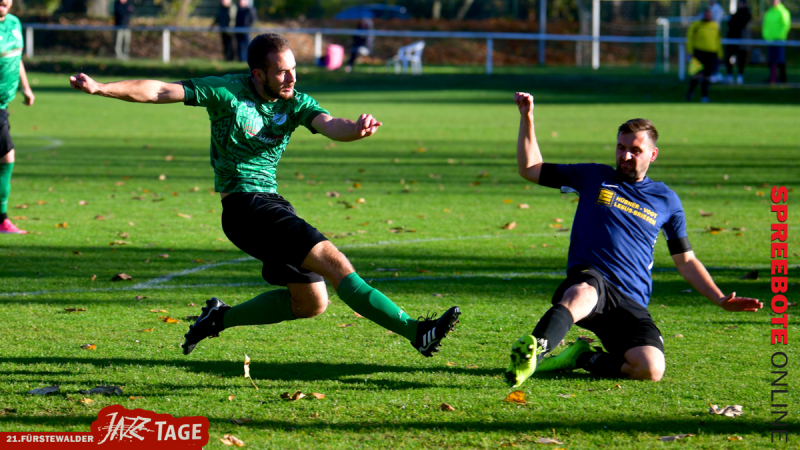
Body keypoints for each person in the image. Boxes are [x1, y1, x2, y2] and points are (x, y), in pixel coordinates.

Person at [68, 34, 461, 359]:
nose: (291, 77)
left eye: (293, 69)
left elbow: (329, 124)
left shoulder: (295, 102)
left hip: (270, 204)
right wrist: (102, 87)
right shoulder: (227, 91)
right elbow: (160, 90)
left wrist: (355, 130)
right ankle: (417, 331)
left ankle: (217, 319)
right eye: (281, 71)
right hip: (244, 206)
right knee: (334, 262)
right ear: (258, 74)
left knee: (310, 304)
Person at [504, 92, 762, 387]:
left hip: (630, 299)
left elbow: (686, 260)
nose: (625, 156)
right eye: (620, 147)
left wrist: (719, 298)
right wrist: (527, 117)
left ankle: (581, 358)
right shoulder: (593, 177)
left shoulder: (667, 200)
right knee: (582, 293)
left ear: (652, 154)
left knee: (650, 369)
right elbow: (530, 169)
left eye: (635, 150)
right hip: (593, 279)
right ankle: (534, 352)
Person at [0, 0, 34, 235]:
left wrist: (26, 87)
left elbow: (16, 57)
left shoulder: (14, 23)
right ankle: (2, 219)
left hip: (4, 104)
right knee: (6, 156)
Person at [685, 8, 722, 103]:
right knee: (696, 74)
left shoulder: (714, 26)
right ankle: (690, 94)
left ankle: (704, 96)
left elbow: (717, 40)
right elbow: (690, 38)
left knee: (707, 76)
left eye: (709, 14)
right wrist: (690, 52)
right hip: (698, 52)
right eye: (706, 14)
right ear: (703, 15)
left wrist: (720, 53)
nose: (708, 16)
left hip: (711, 54)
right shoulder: (696, 25)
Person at [763, 0, 791, 84]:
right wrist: (766, 35)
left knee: (780, 60)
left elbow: (786, 25)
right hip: (770, 40)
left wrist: (780, 36)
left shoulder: (783, 12)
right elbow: (765, 25)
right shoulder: (769, 12)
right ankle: (772, 78)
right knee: (771, 60)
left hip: (779, 40)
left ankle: (782, 79)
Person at [724, 0, 751, 85]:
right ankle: (729, 75)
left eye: (742, 3)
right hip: (732, 39)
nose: (740, 5)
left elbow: (741, 23)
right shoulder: (734, 14)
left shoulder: (747, 14)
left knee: (741, 58)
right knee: (728, 56)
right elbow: (731, 24)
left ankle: (740, 76)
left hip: (742, 41)